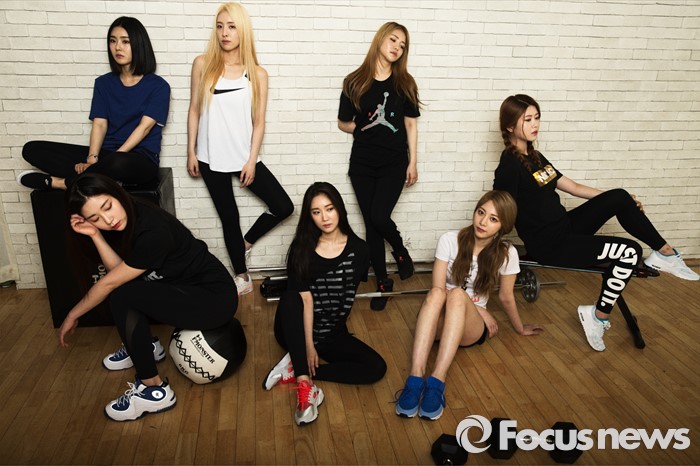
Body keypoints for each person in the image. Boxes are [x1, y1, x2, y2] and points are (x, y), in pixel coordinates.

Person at [493, 94, 699, 352]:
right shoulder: (509, 166)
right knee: (631, 252)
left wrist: (625, 203)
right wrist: (490, 247)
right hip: (550, 244)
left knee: (620, 196)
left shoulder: (536, 157)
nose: (535, 124)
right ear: (510, 126)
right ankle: (597, 316)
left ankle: (665, 253)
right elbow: (499, 209)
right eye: (527, 120)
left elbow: (573, 187)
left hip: (565, 227)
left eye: (537, 118)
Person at [59, 173, 238, 421]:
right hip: (184, 291)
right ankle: (144, 347)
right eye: (95, 218)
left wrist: (72, 314)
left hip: (213, 300)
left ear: (117, 194)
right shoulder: (127, 218)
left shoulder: (153, 229)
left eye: (107, 207)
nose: (108, 220)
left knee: (121, 296)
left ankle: (153, 389)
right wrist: (95, 235)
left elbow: (111, 282)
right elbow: (120, 273)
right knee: (124, 291)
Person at [395, 191, 543, 421]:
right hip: (439, 321)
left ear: (503, 226)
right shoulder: (449, 240)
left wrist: (520, 328)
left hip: (470, 327)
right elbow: (437, 289)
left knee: (456, 294)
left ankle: (437, 381)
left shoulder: (507, 253)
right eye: (481, 212)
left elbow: (506, 297)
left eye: (493, 219)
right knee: (437, 293)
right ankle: (415, 378)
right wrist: (482, 309)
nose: (483, 222)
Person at [187, 2, 293, 296]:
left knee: (283, 206)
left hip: (243, 157)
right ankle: (241, 276)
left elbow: (259, 122)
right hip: (209, 157)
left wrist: (251, 160)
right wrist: (191, 151)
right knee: (229, 216)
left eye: (232, 27)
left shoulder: (257, 74)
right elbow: (194, 110)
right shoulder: (202, 64)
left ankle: (243, 243)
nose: (225, 33)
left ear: (242, 30)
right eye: (220, 26)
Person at [263, 182, 387, 426]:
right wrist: (308, 345)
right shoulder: (302, 249)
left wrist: (322, 342)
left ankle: (297, 369)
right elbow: (306, 299)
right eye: (316, 212)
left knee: (376, 368)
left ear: (339, 209)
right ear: (310, 216)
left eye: (329, 209)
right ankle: (305, 384)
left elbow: (346, 295)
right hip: (296, 330)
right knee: (290, 297)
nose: (325, 218)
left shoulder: (361, 250)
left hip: (332, 333)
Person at [18, 17, 170, 191]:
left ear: (139, 44)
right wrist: (92, 159)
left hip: (139, 159)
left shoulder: (159, 86)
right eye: (112, 41)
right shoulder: (103, 83)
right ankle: (103, 177)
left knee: (117, 161)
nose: (117, 47)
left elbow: (144, 128)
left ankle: (61, 183)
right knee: (32, 149)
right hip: (105, 157)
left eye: (125, 41)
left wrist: (111, 160)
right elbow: (99, 124)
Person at [338, 21, 421, 311]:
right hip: (362, 164)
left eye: (403, 45)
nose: (397, 47)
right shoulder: (354, 81)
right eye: (394, 40)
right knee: (371, 225)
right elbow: (343, 122)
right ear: (380, 39)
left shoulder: (404, 83)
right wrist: (364, 129)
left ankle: (400, 250)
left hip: (394, 164)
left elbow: (410, 124)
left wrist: (413, 161)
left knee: (378, 216)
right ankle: (383, 283)